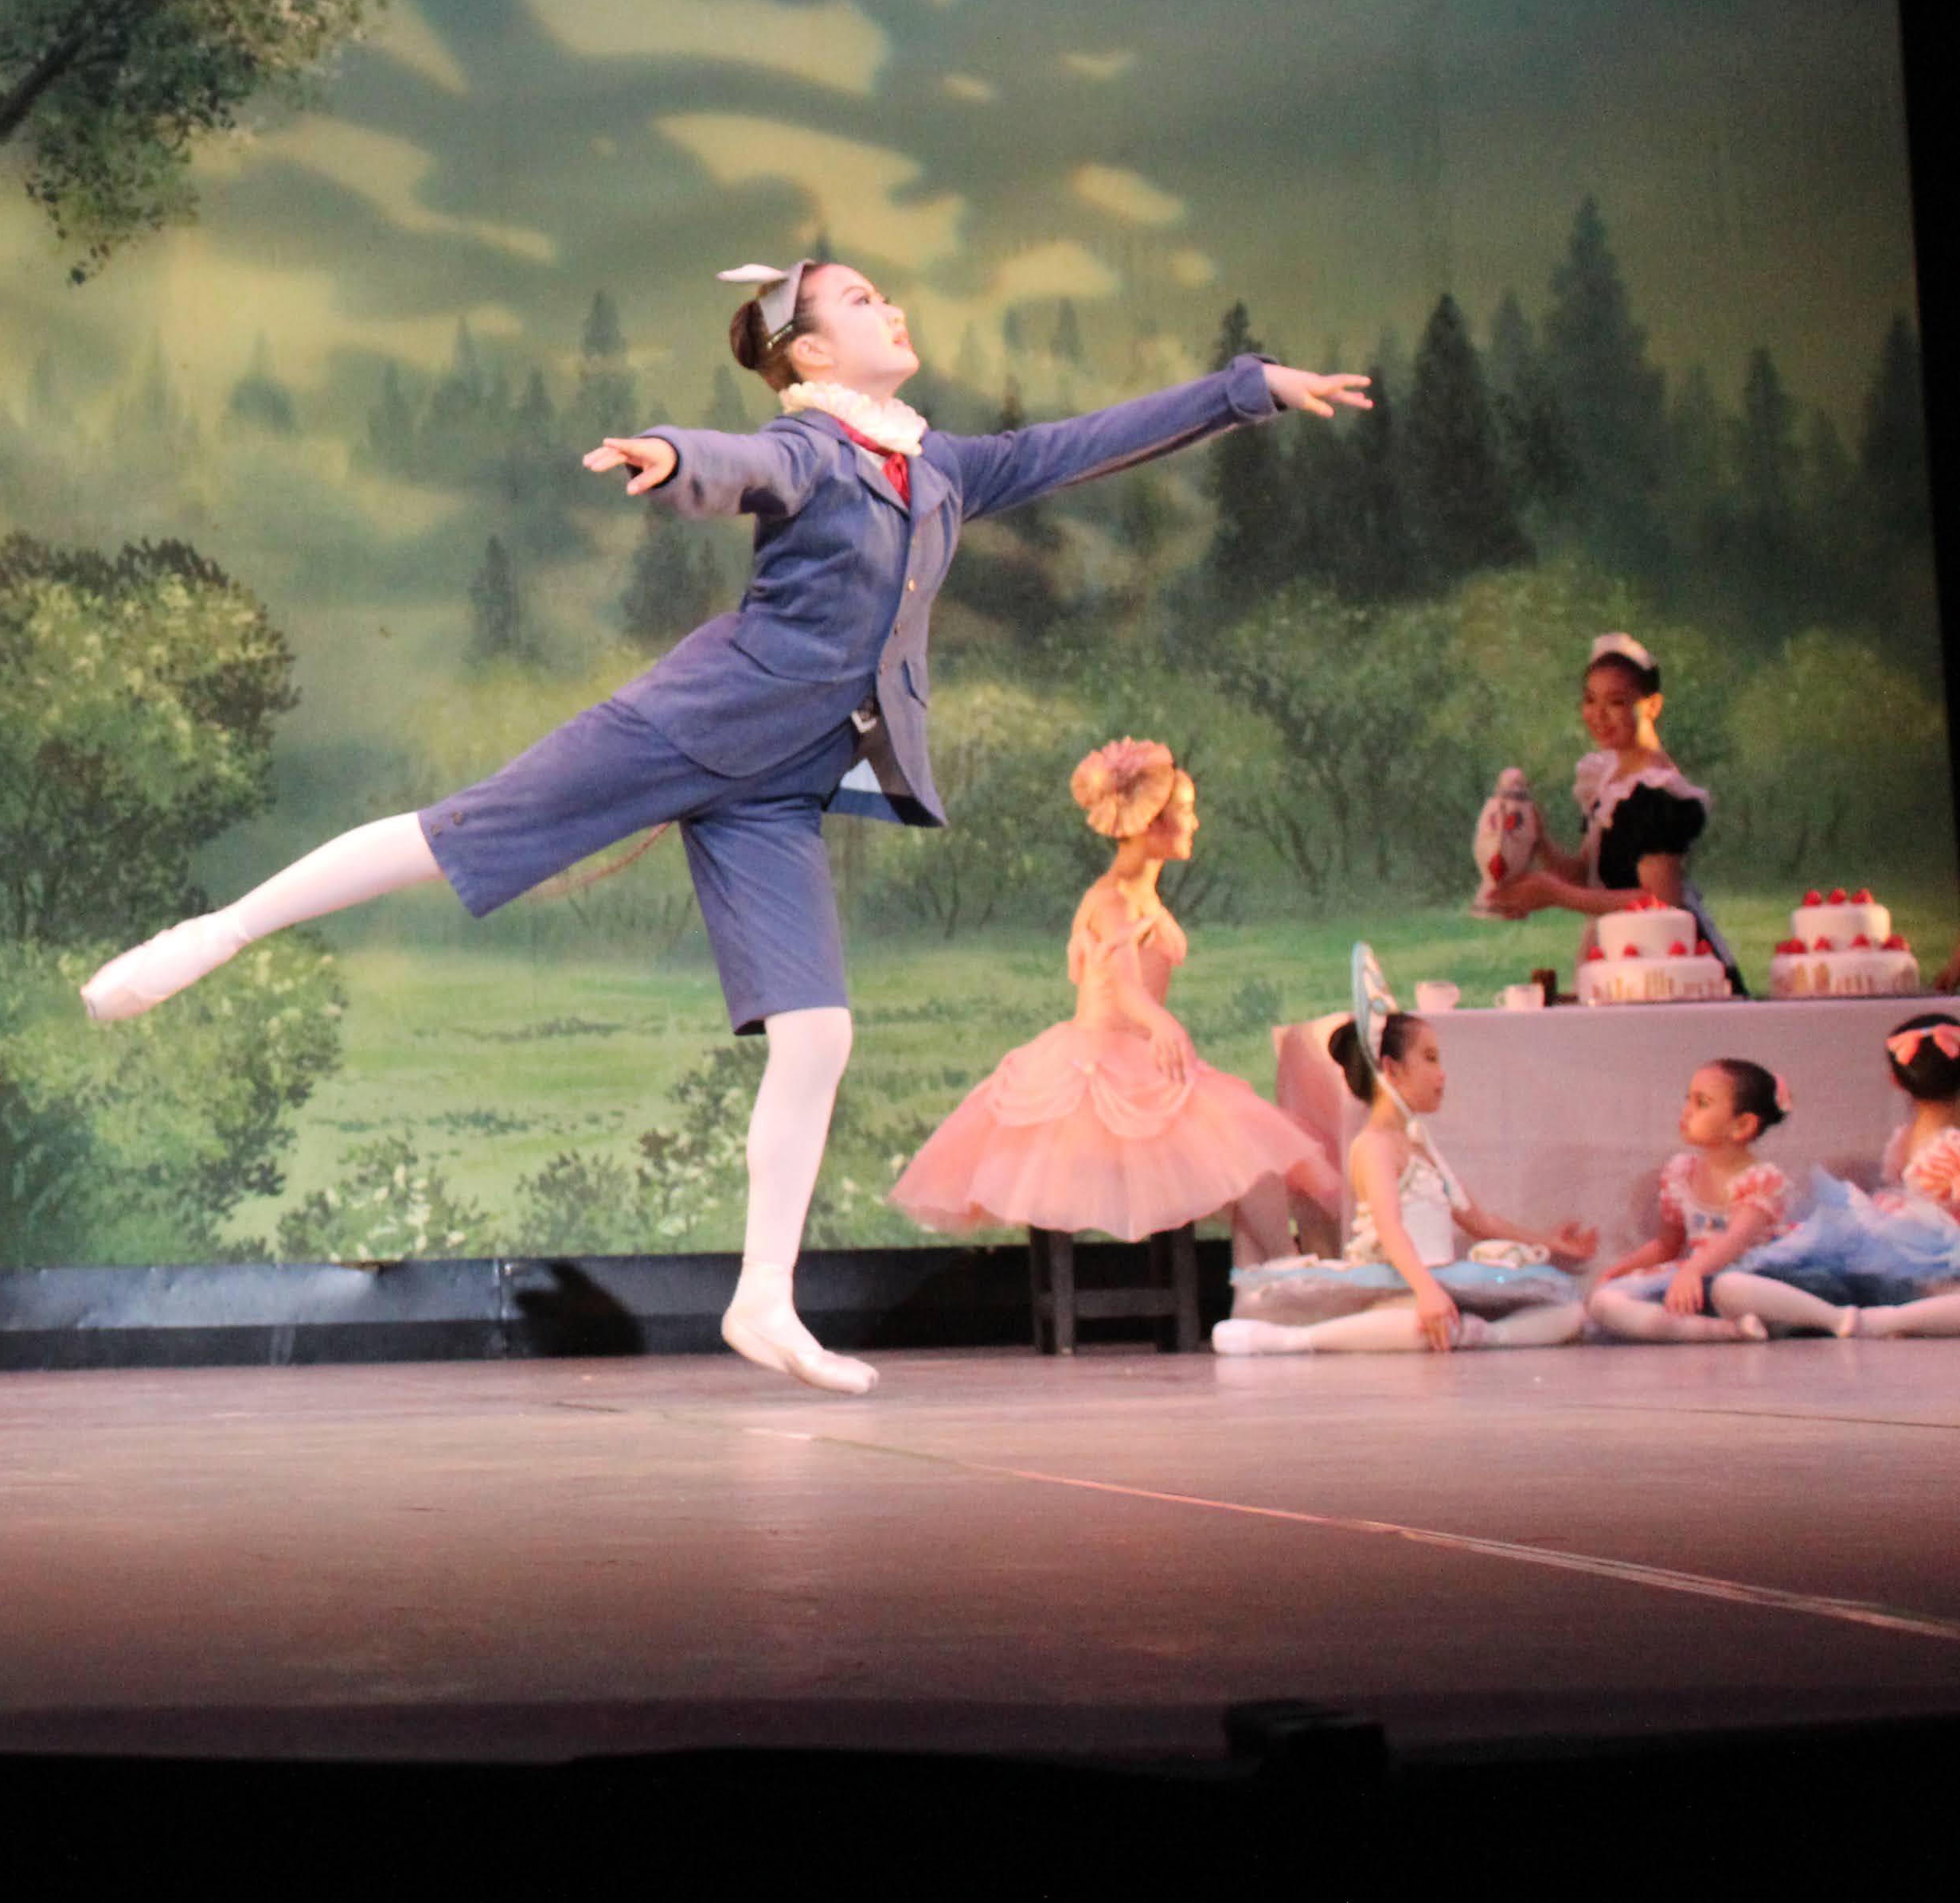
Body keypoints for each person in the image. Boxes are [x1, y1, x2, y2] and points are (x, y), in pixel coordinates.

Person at [80, 257, 1369, 1391]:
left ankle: (762, 1296)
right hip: (694, 722)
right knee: (456, 833)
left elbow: (1078, 443)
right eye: (861, 298)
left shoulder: (935, 466)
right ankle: (220, 930)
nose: (891, 307)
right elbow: (742, 462)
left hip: (780, 782)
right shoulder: (812, 448)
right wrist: (669, 456)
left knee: (816, 1032)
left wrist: (1246, 388)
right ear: (808, 354)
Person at [889, 739, 1323, 1240]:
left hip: (1140, 1056)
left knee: (1251, 1151)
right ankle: (1280, 1266)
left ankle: (1273, 1270)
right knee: (1237, 1145)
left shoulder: (1142, 894)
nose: (1195, 823)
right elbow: (1125, 988)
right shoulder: (1112, 900)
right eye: (1185, 811)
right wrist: (1162, 1023)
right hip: (1102, 1057)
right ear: (1150, 823)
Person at [1217, 961, 1595, 1355]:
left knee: (1569, 1313)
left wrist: (1551, 1243)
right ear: (1392, 1069)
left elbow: (1478, 1219)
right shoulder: (1373, 1146)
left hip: (1432, 1278)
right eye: (1430, 1059)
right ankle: (1290, 1340)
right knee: (1415, 1323)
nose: (1442, 1074)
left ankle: (1480, 1334)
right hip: (1394, 1282)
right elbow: (1390, 1228)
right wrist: (1426, 1290)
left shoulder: (1419, 1143)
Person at [1477, 632, 1743, 989]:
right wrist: (1540, 844)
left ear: (1652, 706)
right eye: (1590, 700)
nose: (1598, 715)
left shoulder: (1657, 792)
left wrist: (1555, 894)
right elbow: (1589, 876)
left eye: (1616, 702)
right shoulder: (1610, 778)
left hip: (1666, 964)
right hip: (1624, 954)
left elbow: (1662, 901)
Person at [1582, 1060, 1849, 1341]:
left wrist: (1693, 1270)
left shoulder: (1760, 1181)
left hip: (1747, 1274)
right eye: (1688, 1100)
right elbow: (1667, 1245)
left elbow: (1735, 1240)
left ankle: (1817, 1319)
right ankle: (1724, 1331)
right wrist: (1619, 1271)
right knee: (1604, 1303)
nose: (1687, 1110)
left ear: (1742, 1125)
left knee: (1730, 1288)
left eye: (1702, 1103)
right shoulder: (1681, 1175)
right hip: (1696, 1277)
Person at [1729, 1015, 1960, 1337]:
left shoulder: (1908, 1137)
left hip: (1903, 1236)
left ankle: (1821, 1311)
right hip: (1928, 1246)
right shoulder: (1944, 1142)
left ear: (1896, 1081)